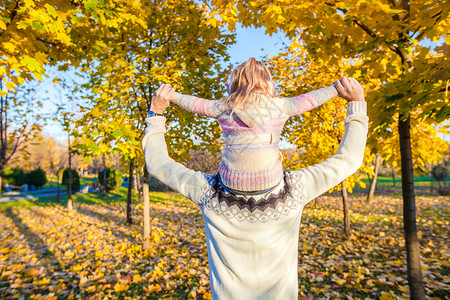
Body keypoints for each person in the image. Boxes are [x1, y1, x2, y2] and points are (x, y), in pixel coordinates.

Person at [142, 77, 368, 299]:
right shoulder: (294, 191)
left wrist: (156, 113)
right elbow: (349, 159)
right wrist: (356, 105)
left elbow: (158, 163)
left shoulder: (208, 193)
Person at [170, 57, 339, 195]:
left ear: (235, 84)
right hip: (269, 181)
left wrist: (173, 95)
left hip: (231, 182)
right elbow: (310, 99)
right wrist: (335, 89)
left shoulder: (224, 107)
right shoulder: (280, 106)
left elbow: (195, 104)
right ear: (266, 83)